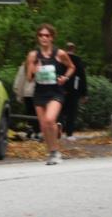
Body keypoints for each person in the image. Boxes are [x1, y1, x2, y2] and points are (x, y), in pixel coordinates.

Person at [26, 24, 75, 165]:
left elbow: (72, 67)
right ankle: (53, 152)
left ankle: (55, 150)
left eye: (47, 35)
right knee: (43, 126)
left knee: (49, 119)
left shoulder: (60, 54)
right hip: (40, 92)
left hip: (55, 92)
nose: (44, 38)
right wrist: (34, 70)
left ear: (52, 37)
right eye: (41, 35)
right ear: (38, 37)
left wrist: (65, 77)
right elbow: (29, 78)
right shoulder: (33, 55)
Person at [59, 42, 87, 141]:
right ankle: (69, 134)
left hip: (61, 88)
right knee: (72, 112)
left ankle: (59, 129)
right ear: (74, 49)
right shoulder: (78, 60)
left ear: (65, 48)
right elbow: (82, 77)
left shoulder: (60, 59)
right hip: (74, 90)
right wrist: (84, 93)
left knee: (60, 111)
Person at [12, 60, 39, 139]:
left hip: (28, 92)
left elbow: (20, 81)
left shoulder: (25, 65)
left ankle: (32, 130)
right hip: (39, 93)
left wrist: (19, 95)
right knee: (37, 113)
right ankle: (37, 132)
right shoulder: (44, 63)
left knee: (30, 113)